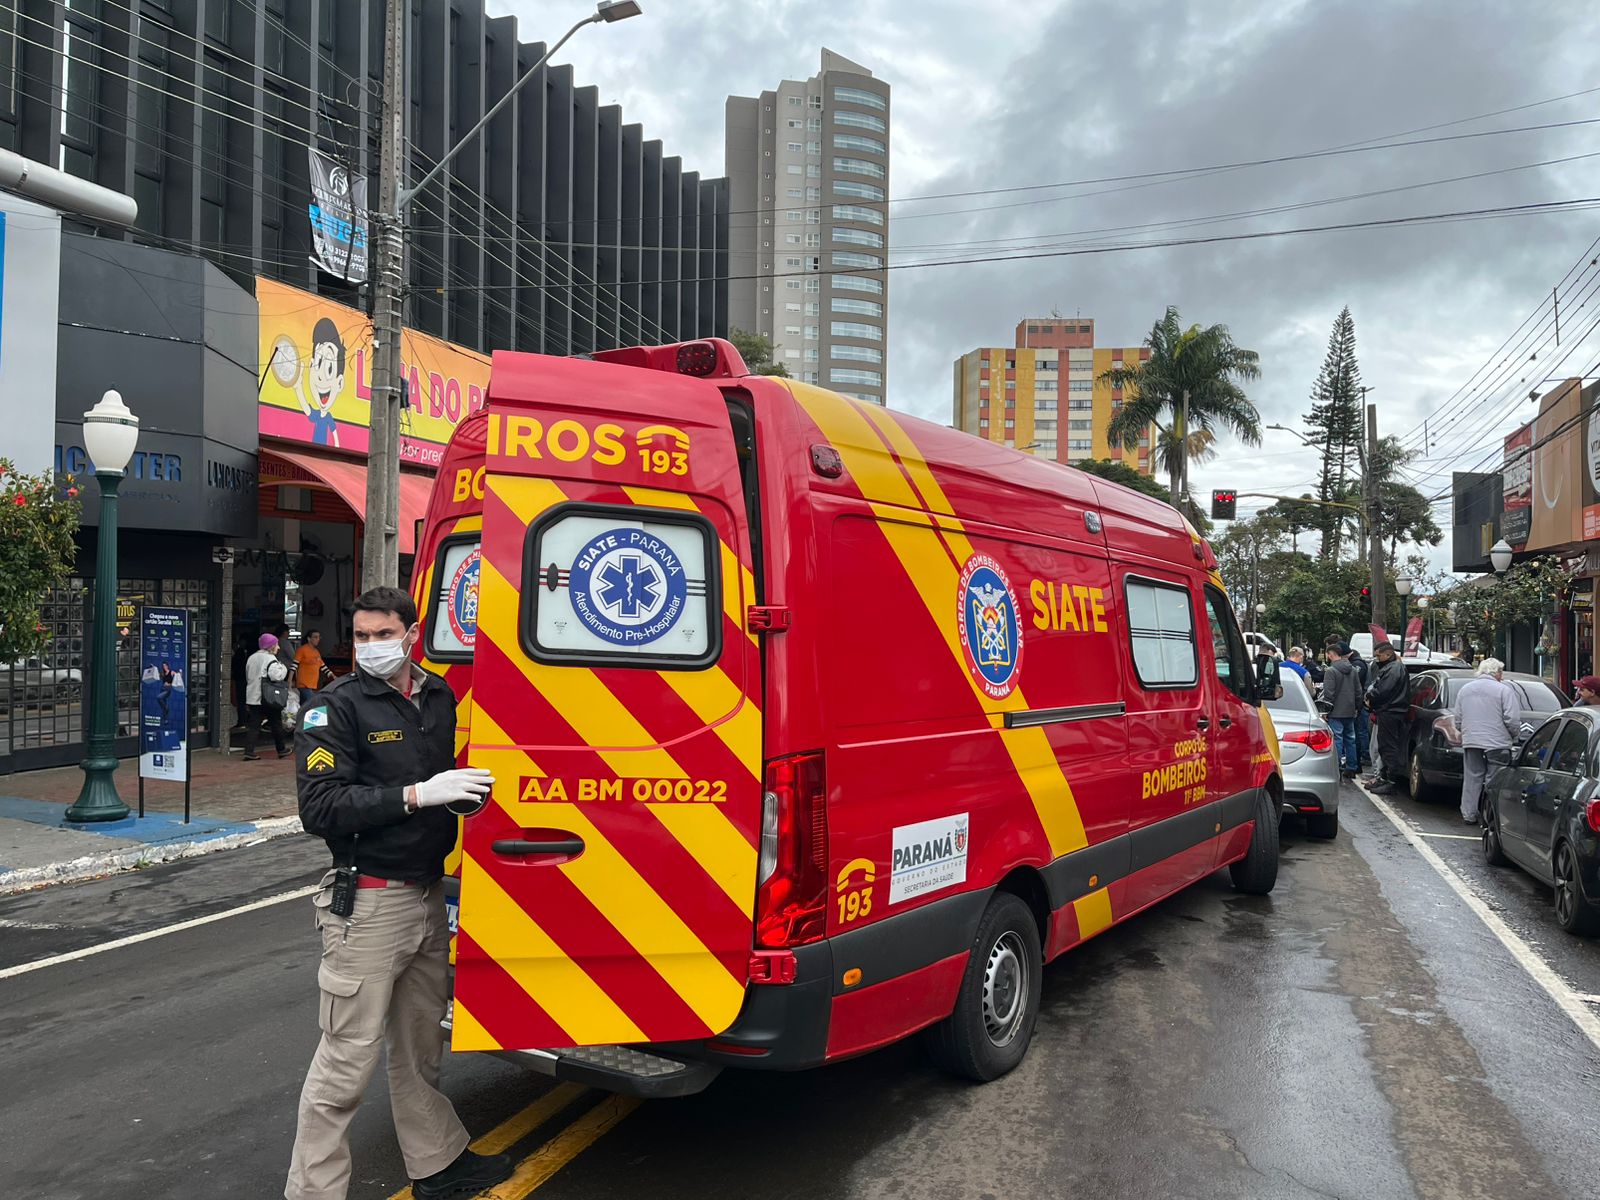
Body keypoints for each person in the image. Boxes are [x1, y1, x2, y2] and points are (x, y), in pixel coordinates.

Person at [285, 587, 510, 1200]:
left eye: (383, 635)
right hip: (368, 904)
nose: (371, 648)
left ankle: (437, 1164)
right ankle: (312, 1192)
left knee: (420, 1048)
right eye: (361, 637)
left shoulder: (437, 696)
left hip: (427, 897)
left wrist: (458, 797)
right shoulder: (335, 707)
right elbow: (320, 808)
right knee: (345, 1064)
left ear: (411, 634)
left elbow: (441, 781)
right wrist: (417, 795)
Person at [1450, 656, 1522, 825]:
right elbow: (1511, 719)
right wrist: (1514, 736)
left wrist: (1465, 732)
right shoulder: (1504, 691)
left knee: (1472, 776)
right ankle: (1491, 815)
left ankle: (1469, 813)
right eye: (1501, 672)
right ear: (1496, 672)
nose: (1502, 677)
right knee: (1494, 779)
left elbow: (1458, 718)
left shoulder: (1465, 690)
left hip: (1472, 741)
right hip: (1497, 742)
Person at [1364, 641, 1410, 793]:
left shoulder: (1394, 668)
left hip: (1390, 711)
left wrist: (1371, 695)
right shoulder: (1392, 667)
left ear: (1388, 654)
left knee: (1388, 747)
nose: (1377, 659)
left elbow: (1383, 690)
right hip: (1389, 710)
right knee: (1384, 746)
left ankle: (1390, 781)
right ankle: (1384, 778)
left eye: (1379, 656)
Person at [243, 633, 292, 761]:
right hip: (268, 697)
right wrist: (284, 668)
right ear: (271, 646)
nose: (278, 648)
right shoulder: (270, 659)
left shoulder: (252, 658)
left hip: (253, 695)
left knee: (254, 725)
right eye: (276, 645)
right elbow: (276, 676)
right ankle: (281, 749)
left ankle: (249, 751)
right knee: (276, 723)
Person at [1322, 643, 1362, 778]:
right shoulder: (1353, 670)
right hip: (1350, 710)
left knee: (1337, 739)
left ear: (1331, 654)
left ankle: (1337, 766)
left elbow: (1329, 693)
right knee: (1350, 739)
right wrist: (1357, 707)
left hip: (1336, 711)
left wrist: (1326, 711)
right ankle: (1352, 767)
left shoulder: (1331, 671)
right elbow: (1358, 691)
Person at [295, 630, 329, 706]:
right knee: (313, 704)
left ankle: (300, 717)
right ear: (309, 639)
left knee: (303, 705)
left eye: (319, 637)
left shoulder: (316, 652)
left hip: (312, 684)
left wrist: (333, 676)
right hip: (303, 684)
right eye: (315, 637)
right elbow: (294, 665)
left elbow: (323, 666)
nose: (318, 639)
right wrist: (289, 681)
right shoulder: (302, 650)